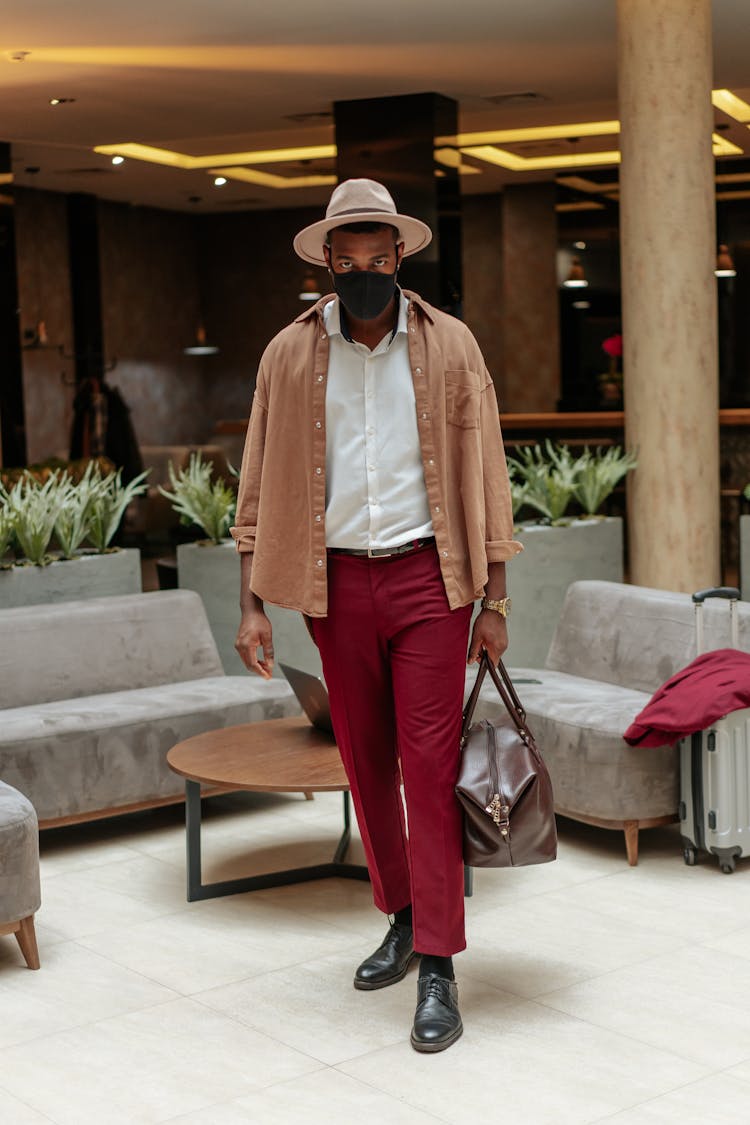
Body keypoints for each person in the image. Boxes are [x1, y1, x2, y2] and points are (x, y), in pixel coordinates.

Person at [231, 178, 522, 1053]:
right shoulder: (287, 354)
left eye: (378, 260)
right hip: (335, 588)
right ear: (328, 261)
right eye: (347, 261)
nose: (364, 274)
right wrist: (250, 598)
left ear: (401, 257)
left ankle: (438, 959)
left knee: (428, 774)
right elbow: (253, 478)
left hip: (431, 583)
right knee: (368, 766)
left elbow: (489, 469)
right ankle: (399, 914)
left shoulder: (450, 346)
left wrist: (495, 596)